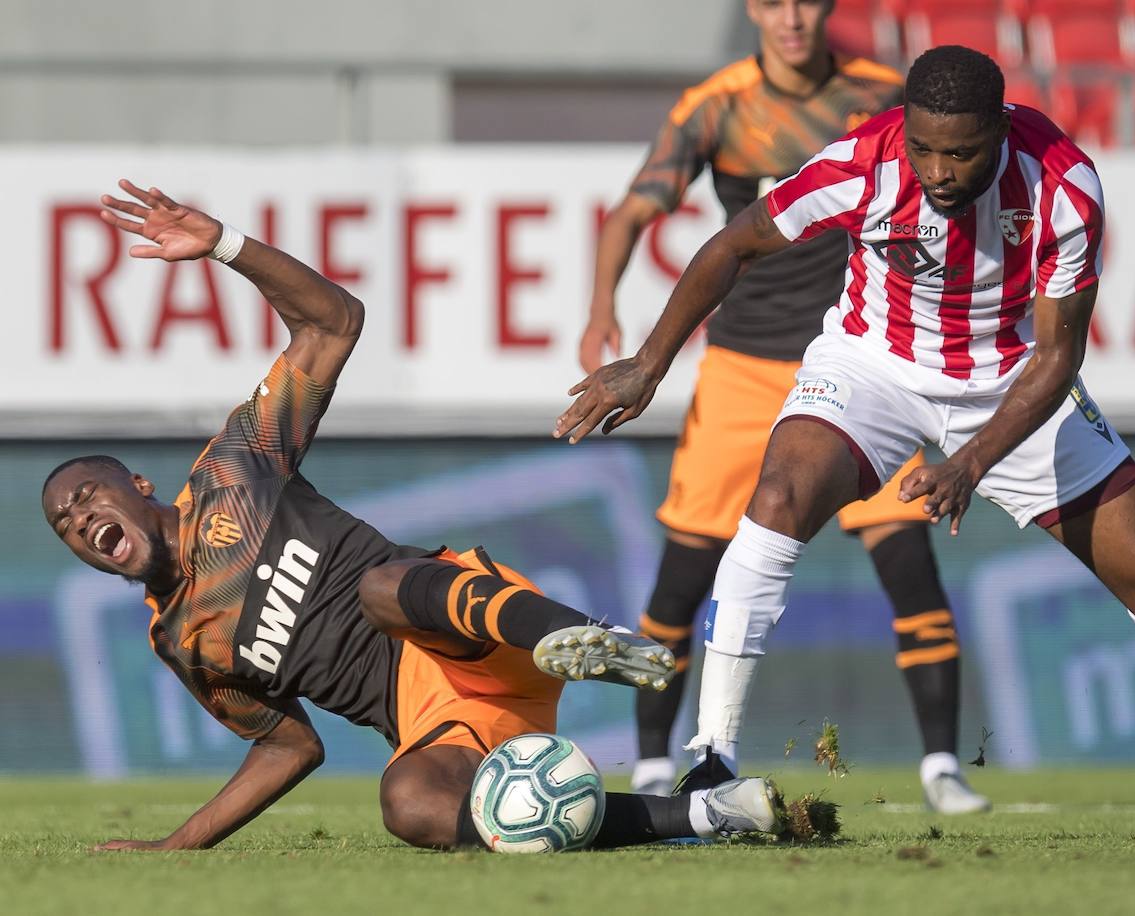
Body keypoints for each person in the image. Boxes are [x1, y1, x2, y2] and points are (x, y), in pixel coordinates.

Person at [556, 46, 1135, 838]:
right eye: (924, 147)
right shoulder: (865, 161)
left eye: (960, 152)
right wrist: (649, 365)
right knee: (778, 499)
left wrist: (972, 461)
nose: (937, 170)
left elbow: (1059, 356)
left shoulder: (1064, 185)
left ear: (1001, 129)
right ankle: (712, 761)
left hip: (1011, 384)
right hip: (873, 367)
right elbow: (735, 244)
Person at [41, 180, 785, 852]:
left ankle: (577, 635)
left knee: (379, 589)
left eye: (85, 496)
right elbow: (287, 746)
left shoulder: (232, 471)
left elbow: (334, 322)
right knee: (411, 806)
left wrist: (227, 247)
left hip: (480, 627)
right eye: (66, 527)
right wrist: (174, 851)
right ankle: (709, 814)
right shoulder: (181, 639)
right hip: (450, 722)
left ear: (137, 484)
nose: (80, 520)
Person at [582, 0, 984, 811]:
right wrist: (601, 311)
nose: (791, 17)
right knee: (687, 570)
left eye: (806, 0)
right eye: (772, 2)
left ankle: (943, 766)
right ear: (752, 12)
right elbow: (633, 211)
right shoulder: (717, 106)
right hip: (742, 364)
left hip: (867, 366)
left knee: (909, 563)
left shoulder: (883, 100)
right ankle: (659, 761)